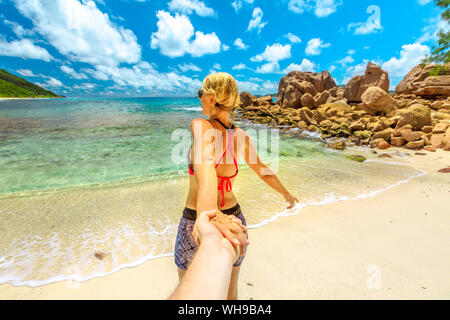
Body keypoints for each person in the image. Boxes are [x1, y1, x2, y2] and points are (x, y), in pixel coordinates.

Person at [174, 72, 298, 300]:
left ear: (212, 99)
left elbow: (206, 168)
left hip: (198, 220)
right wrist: (287, 194)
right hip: (235, 219)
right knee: (230, 293)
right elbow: (264, 171)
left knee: (190, 296)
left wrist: (209, 216)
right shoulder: (240, 136)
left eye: (201, 93)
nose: (199, 98)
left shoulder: (200, 126)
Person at [168, 210, 241, 300]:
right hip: (235, 223)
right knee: (230, 295)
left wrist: (212, 244)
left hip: (197, 224)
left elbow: (207, 207)